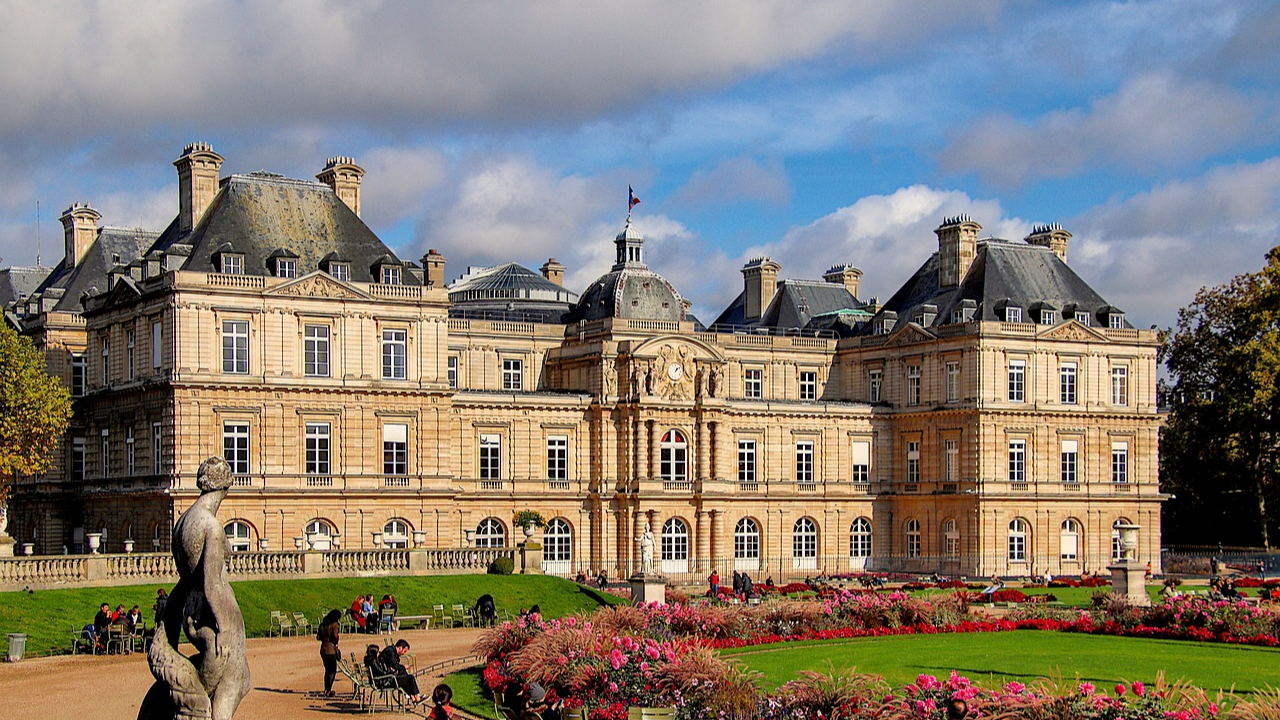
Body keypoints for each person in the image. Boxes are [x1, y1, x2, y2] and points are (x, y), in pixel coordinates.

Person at [317, 609, 342, 698]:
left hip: (323, 649)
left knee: (327, 671)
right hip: (331, 650)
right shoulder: (334, 625)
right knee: (332, 671)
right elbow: (335, 636)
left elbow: (318, 637)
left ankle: (326, 689)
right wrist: (336, 641)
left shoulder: (322, 625)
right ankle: (328, 690)